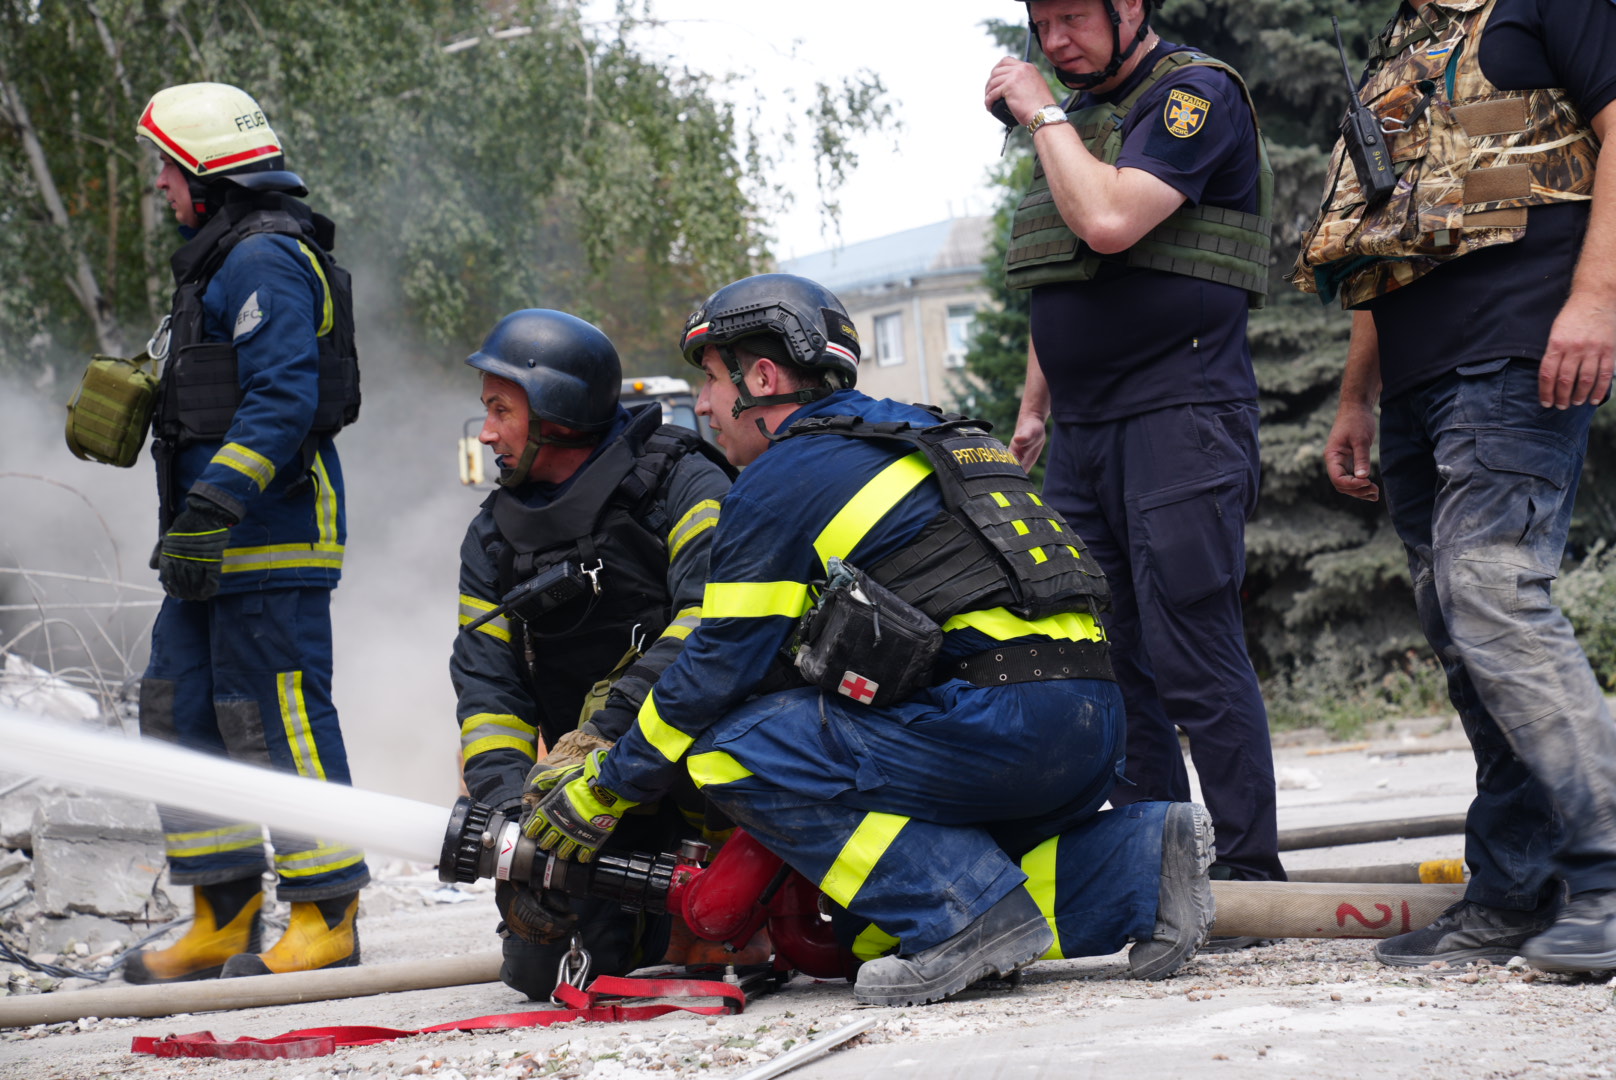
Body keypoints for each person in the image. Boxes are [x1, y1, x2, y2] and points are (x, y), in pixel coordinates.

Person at [522, 273, 1217, 1006]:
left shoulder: (782, 477)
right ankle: (1142, 861)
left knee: (725, 744)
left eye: (712, 381)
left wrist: (609, 784)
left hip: (1001, 725)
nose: (699, 406)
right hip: (1094, 729)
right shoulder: (926, 433)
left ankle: (966, 919)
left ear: (762, 378)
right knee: (874, 927)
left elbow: (717, 665)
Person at [1297, 0, 1616, 973]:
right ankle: (1513, 891)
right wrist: (1357, 397)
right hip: (1418, 375)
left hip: (1521, 345)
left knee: (1490, 592)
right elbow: (1389, 230)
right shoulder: (1408, 36)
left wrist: (1596, 300)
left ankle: (1604, 872)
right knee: (1459, 625)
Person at [982, 0, 1285, 888]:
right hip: (1083, 426)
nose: (1057, 39)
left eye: (1075, 17)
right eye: (1043, 22)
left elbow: (1108, 224)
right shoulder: (1078, 121)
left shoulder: (1192, 96)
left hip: (1179, 413)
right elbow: (1061, 272)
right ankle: (1159, 868)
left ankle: (1249, 872)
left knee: (1191, 641)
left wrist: (1037, 110)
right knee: (1105, 657)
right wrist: (1037, 404)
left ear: (1132, 9)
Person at [123, 83, 368, 983]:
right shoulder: (220, 262)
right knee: (178, 710)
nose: (158, 185)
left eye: (165, 168)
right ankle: (221, 918)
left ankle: (326, 915)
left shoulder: (264, 260)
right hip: (209, 547)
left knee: (278, 723)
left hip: (269, 538)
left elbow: (282, 402)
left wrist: (212, 508)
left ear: (202, 172)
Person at [451, 309, 734, 999]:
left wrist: (601, 736)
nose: (485, 432)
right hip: (578, 802)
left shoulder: (681, 483)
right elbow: (489, 695)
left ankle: (732, 915)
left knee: (715, 939)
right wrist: (509, 823)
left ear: (559, 410)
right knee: (537, 971)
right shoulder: (492, 542)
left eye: (498, 410)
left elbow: (715, 624)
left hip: (699, 775)